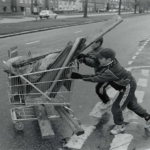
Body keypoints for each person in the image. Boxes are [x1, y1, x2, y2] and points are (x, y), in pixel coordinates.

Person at [71, 48, 150, 135]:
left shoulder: (113, 71)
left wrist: (80, 76)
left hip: (127, 87)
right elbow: (96, 60)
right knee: (132, 105)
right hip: (128, 83)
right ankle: (148, 118)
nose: (99, 59)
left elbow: (97, 77)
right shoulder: (110, 61)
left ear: (108, 59)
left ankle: (120, 125)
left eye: (101, 58)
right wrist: (86, 56)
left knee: (116, 107)